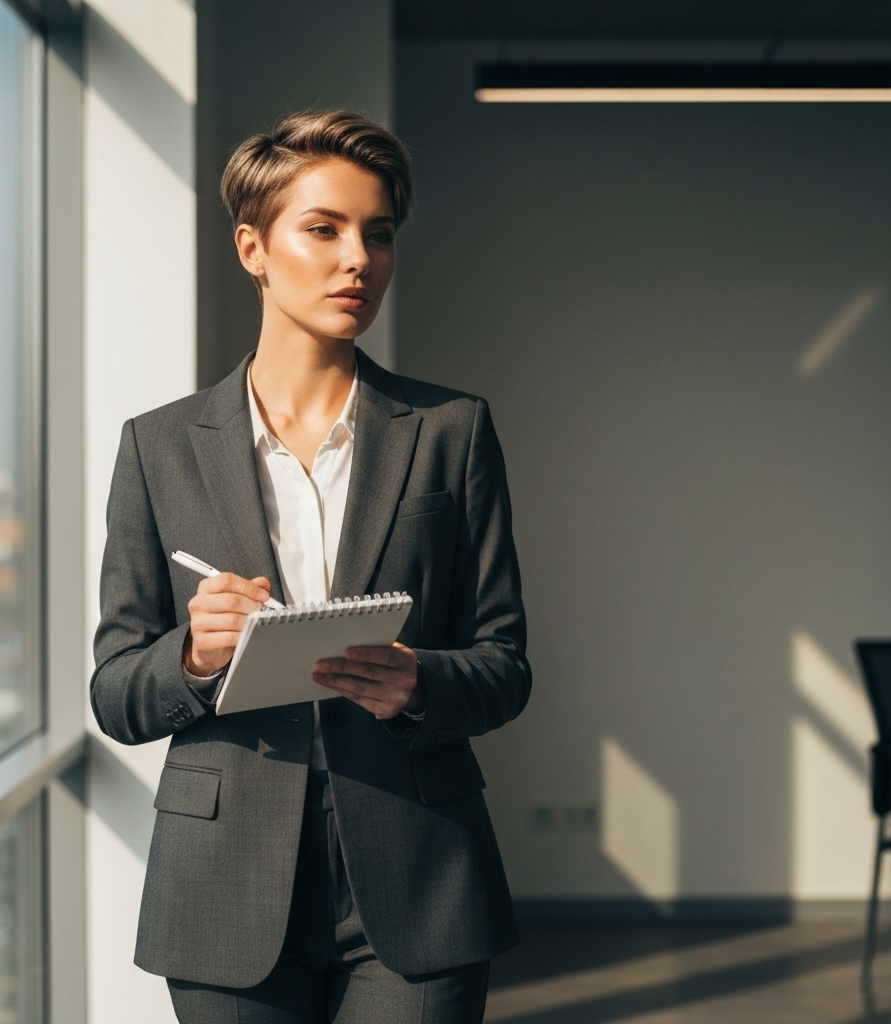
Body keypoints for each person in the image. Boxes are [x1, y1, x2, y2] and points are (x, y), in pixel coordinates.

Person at [91, 109, 531, 1024]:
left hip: (420, 874)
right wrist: (193, 658)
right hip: (224, 892)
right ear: (253, 248)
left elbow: (504, 665)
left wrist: (417, 682)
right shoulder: (160, 448)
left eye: (378, 234)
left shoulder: (452, 431)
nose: (358, 259)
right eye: (324, 229)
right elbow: (115, 692)